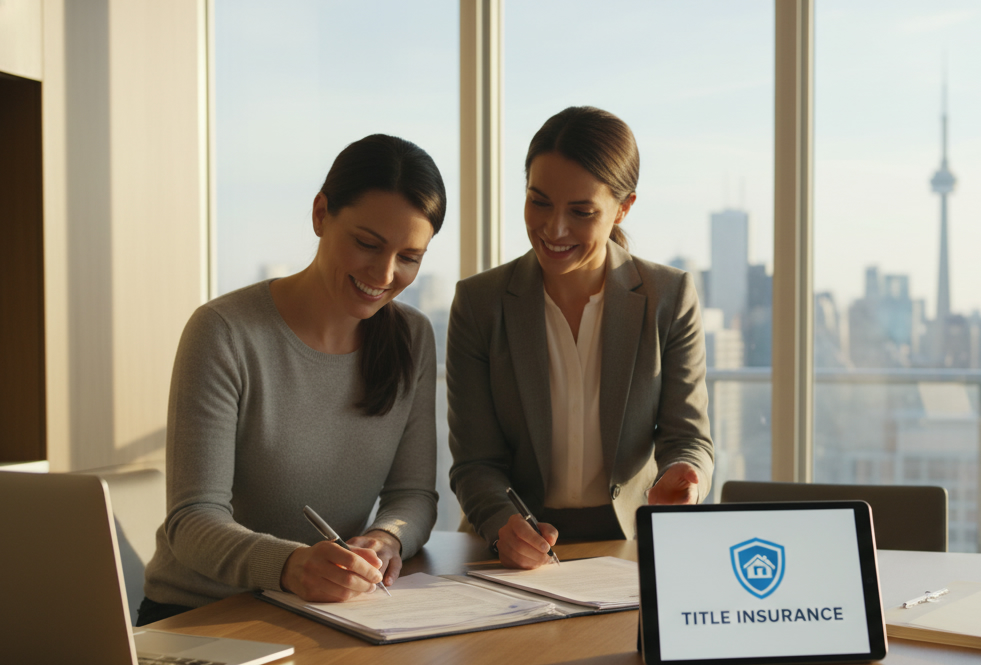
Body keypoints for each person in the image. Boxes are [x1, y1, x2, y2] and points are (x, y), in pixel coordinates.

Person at [139, 134, 445, 625]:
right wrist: (290, 565)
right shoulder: (224, 332)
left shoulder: (413, 337)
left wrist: (387, 538)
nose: (384, 273)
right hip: (202, 613)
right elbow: (192, 520)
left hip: (320, 611)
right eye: (367, 244)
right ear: (321, 213)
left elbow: (412, 495)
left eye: (409, 258)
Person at [448, 106, 714, 570]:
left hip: (629, 546)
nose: (554, 228)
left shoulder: (669, 296)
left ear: (623, 207)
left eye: (582, 211)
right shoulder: (479, 303)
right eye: (539, 201)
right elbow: (475, 461)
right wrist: (501, 524)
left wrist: (684, 475)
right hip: (506, 548)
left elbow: (688, 437)